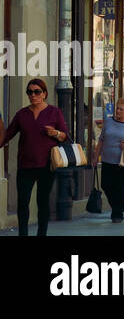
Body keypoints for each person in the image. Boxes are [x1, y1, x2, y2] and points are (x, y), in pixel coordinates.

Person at [0, 78, 70, 235]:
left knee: (42, 202)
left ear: (44, 94)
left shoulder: (54, 112)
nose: (33, 95)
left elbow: (66, 136)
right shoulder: (22, 114)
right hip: (25, 165)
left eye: (37, 91)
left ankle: (41, 233)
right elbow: (7, 135)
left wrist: (56, 133)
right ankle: (23, 234)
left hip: (46, 165)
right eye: (29, 92)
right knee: (23, 202)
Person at [95, 97, 124, 223]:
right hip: (107, 159)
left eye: (121, 109)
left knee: (120, 188)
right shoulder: (108, 121)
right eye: (117, 108)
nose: (117, 111)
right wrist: (96, 156)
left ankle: (117, 213)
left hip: (122, 161)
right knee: (105, 185)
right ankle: (117, 208)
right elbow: (101, 139)